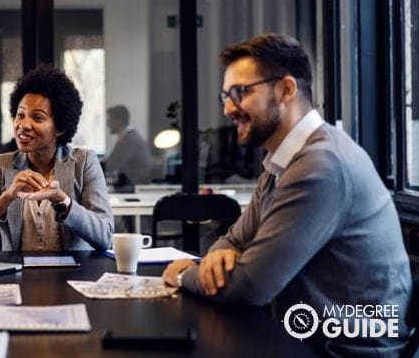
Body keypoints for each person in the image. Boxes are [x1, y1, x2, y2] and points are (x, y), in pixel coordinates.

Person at [161, 34, 411, 355]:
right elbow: (235, 239)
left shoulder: (320, 165)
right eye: (225, 95)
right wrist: (219, 256)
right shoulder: (282, 162)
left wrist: (183, 273)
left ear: (286, 89)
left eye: (241, 92)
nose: (227, 109)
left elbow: (251, 286)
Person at [0, 64, 113, 251]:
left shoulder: (84, 163)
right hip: (18, 275)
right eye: (20, 115)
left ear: (60, 127)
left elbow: (105, 236)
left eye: (38, 118)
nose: (23, 125)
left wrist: (63, 201)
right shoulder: (0, 165)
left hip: (73, 275)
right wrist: (6, 197)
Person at [104, 105, 153, 185]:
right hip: (131, 181)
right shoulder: (127, 136)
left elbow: (111, 165)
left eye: (110, 120)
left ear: (119, 121)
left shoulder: (129, 139)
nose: (107, 124)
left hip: (137, 183)